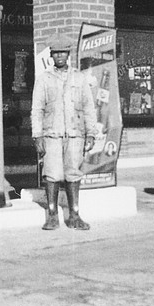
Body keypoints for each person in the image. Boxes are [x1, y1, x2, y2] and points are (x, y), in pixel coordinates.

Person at [31, 33, 97, 230]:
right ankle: (52, 215)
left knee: (73, 174)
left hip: (75, 135)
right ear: (51, 55)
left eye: (63, 53)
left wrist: (91, 133)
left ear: (68, 54)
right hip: (52, 135)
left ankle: (74, 215)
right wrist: (37, 135)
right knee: (51, 174)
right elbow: (37, 109)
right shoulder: (43, 79)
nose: (59, 56)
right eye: (56, 53)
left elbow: (88, 107)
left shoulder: (79, 78)